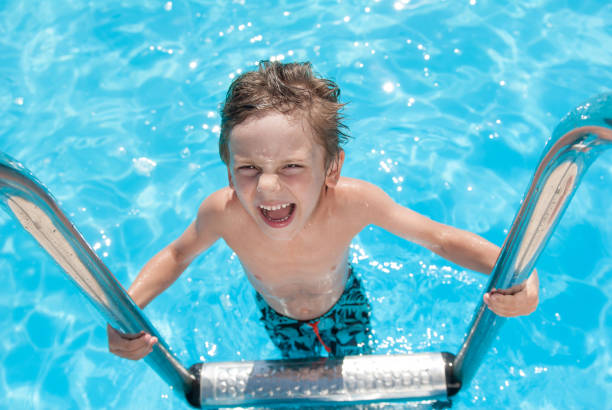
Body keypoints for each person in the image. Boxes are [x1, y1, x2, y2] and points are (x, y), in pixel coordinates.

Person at [107, 61, 539, 360]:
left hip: (345, 304)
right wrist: (125, 313)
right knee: (300, 386)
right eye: (248, 168)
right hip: (276, 314)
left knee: (358, 376)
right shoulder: (224, 213)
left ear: (331, 168)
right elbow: (177, 255)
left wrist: (517, 273)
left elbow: (438, 238)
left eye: (291, 166)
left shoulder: (353, 203)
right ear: (227, 169)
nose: (267, 187)